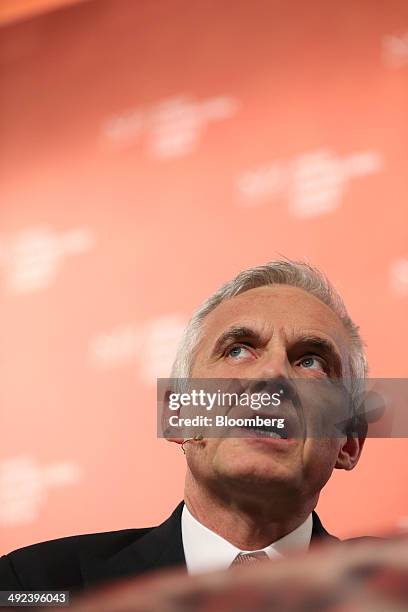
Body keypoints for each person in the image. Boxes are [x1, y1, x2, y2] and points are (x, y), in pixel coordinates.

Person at [0, 260, 369, 593]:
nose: (272, 375)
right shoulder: (30, 583)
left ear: (349, 441)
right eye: (238, 350)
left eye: (312, 362)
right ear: (176, 415)